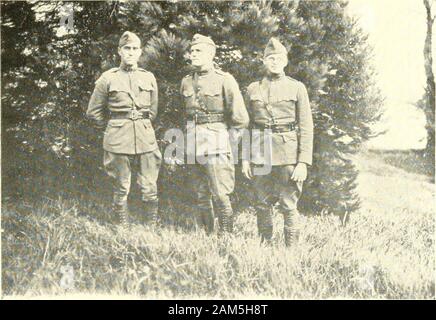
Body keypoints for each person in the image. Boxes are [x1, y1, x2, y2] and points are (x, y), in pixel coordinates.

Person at [242, 37, 314, 246]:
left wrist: (303, 162)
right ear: (264, 61)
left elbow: (307, 126)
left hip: (287, 154)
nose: (274, 62)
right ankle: (265, 244)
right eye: (270, 58)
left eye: (278, 58)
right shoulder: (253, 89)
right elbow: (247, 126)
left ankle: (290, 251)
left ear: (285, 61)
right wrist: (245, 158)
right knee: (261, 202)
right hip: (259, 153)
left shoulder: (297, 88)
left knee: (288, 203)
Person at [86, 31, 161, 226]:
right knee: (121, 186)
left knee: (149, 185)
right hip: (118, 139)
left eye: (135, 49)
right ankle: (122, 228)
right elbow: (93, 112)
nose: (131, 52)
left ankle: (150, 228)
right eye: (127, 48)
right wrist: (113, 127)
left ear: (140, 52)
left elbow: (153, 111)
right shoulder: (108, 78)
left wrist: (141, 124)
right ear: (120, 51)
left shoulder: (148, 77)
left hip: (145, 138)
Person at [178, 34, 249, 234]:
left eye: (198, 51)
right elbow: (184, 113)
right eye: (192, 51)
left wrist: (227, 142)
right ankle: (208, 234)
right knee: (201, 193)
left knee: (220, 193)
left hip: (217, 142)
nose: (194, 55)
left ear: (211, 54)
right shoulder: (186, 82)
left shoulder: (225, 80)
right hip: (193, 143)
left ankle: (226, 236)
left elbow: (241, 119)